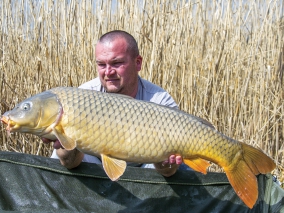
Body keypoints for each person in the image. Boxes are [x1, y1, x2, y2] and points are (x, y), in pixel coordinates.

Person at [47, 30, 183, 177]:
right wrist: (63, 138)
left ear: (137, 63)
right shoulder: (83, 96)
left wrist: (166, 164)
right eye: (101, 64)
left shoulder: (160, 100)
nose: (108, 72)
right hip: (96, 162)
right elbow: (69, 163)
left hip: (144, 166)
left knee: (184, 169)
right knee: (60, 163)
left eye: (116, 63)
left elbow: (168, 172)